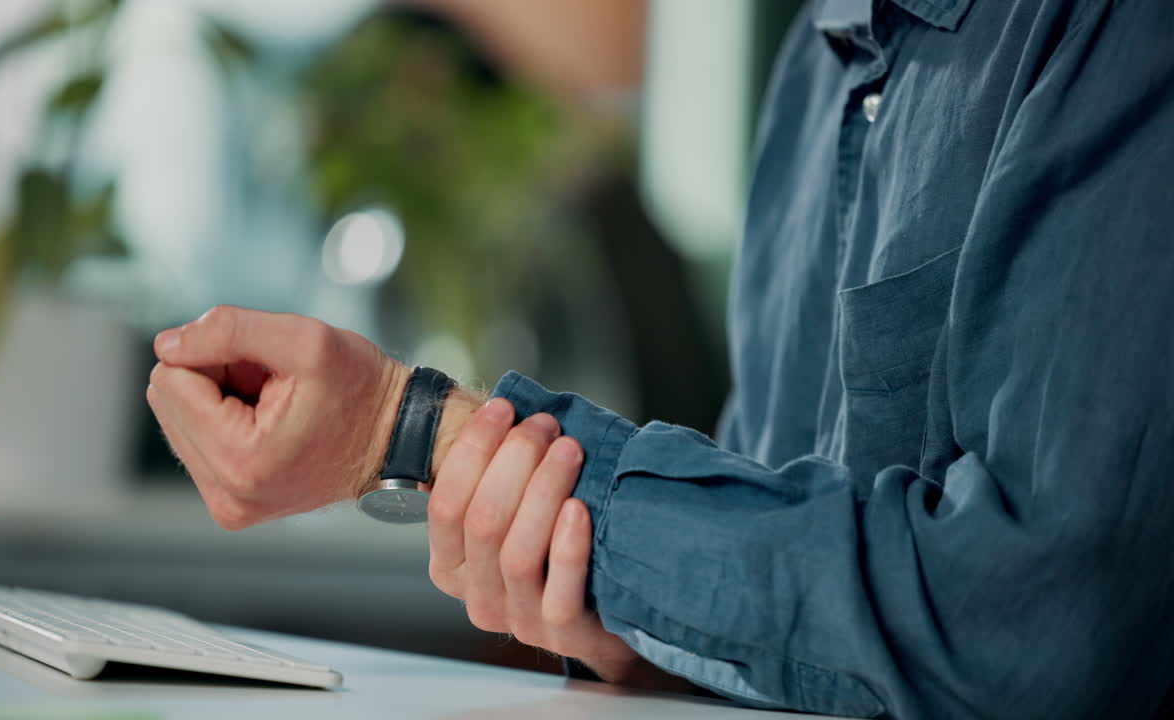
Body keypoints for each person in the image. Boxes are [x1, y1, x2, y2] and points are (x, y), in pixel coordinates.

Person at [146, 1, 1174, 717]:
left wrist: (407, 431)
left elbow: (1037, 629)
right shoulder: (813, 68)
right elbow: (794, 583)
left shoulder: (1113, 29)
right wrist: (641, 631)